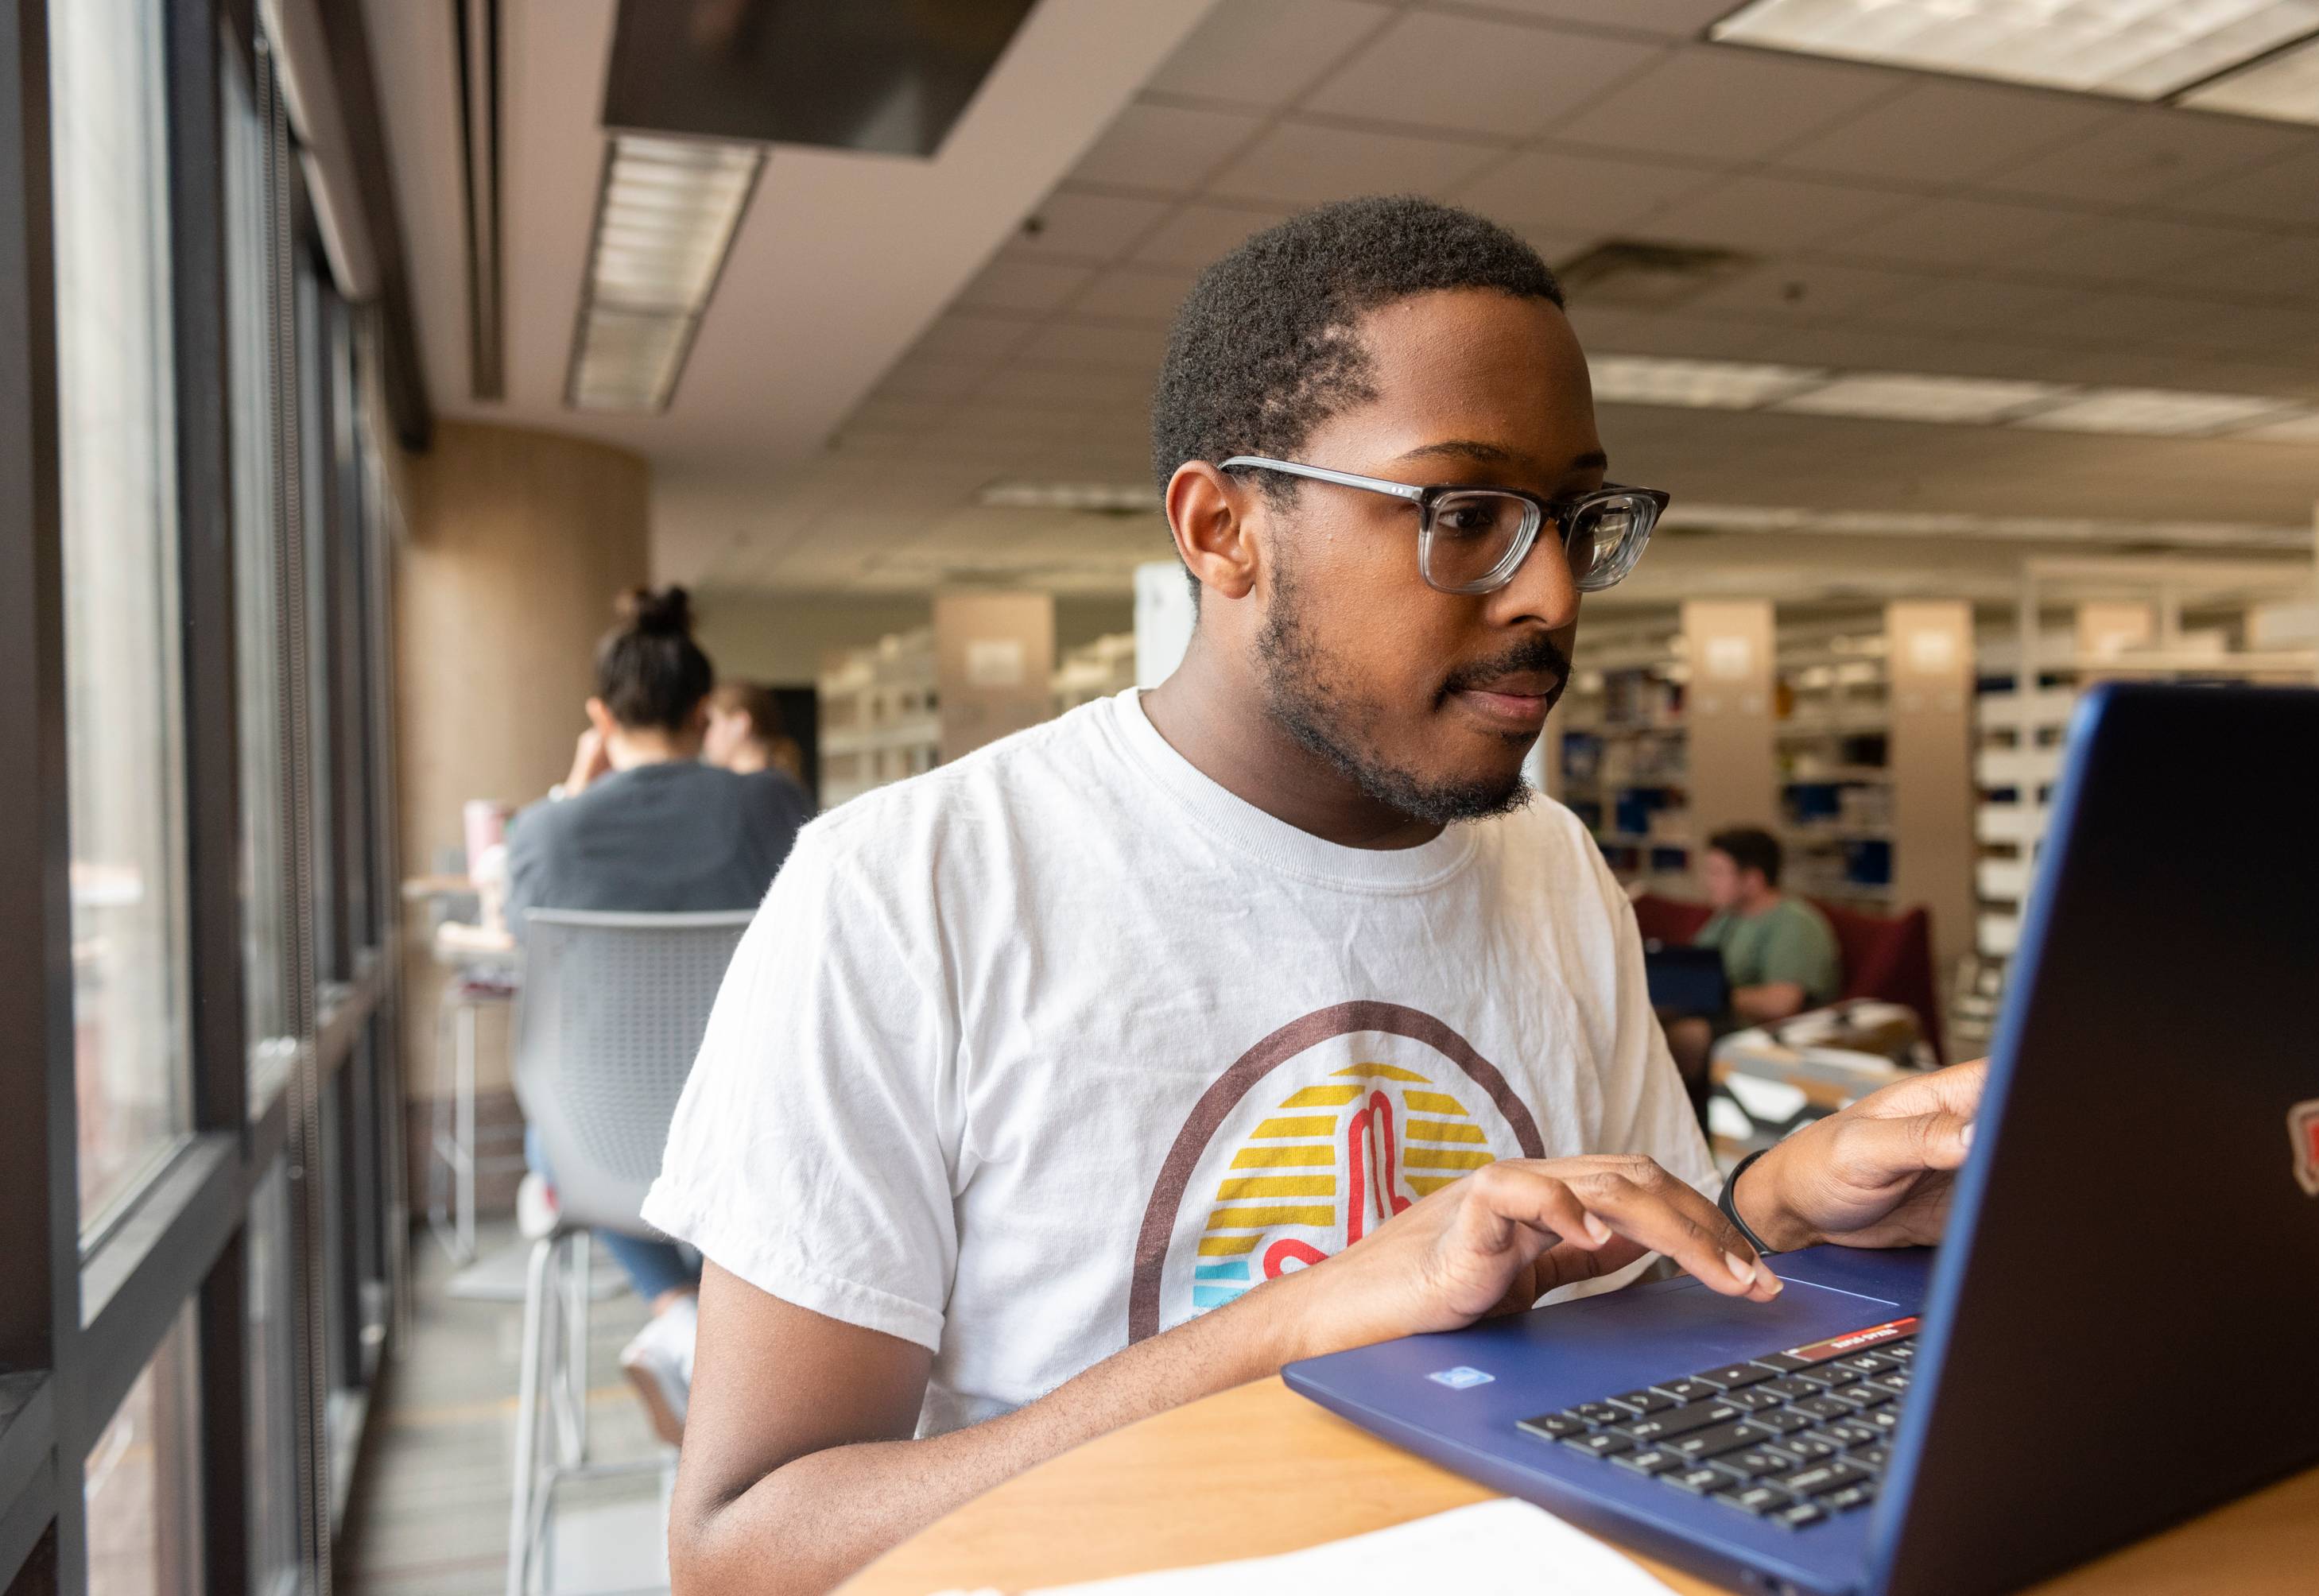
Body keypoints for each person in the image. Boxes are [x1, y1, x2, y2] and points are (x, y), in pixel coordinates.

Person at [642, 198, 1983, 1594]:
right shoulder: (908, 890)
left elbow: (1616, 1295)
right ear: (1223, 529)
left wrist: (1775, 1202)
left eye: (1577, 519)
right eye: (1462, 513)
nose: (1553, 594)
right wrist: (1297, 1321)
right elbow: (742, 1548)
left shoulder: (1548, 860)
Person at [506, 586, 810, 1445]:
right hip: (759, 1135)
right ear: (704, 709)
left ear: (600, 717)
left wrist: (572, 787)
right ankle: (724, 1330)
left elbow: (519, 935)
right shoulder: (770, 804)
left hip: (600, 1147)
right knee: (732, 1158)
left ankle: (677, 1316)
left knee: (552, 1141)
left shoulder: (543, 834)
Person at [1663, 828, 1845, 1109]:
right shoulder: (1727, 918)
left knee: (1675, 1039)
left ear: (1752, 880)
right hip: (1718, 1017)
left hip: (1765, 1032)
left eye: (1717, 873)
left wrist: (1708, 994)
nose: (1707, 882)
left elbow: (1782, 1003)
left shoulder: (1794, 924)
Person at [703, 679, 812, 804]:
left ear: (739, 723)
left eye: (709, 723)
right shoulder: (781, 784)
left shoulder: (762, 792)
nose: (705, 735)